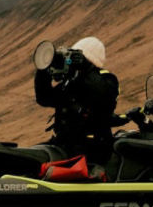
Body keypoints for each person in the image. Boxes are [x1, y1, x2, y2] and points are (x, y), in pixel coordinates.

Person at [33, 36, 120, 170]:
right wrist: (43, 71)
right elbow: (44, 98)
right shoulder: (70, 82)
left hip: (94, 150)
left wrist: (87, 68)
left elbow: (103, 96)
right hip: (64, 145)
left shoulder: (107, 79)